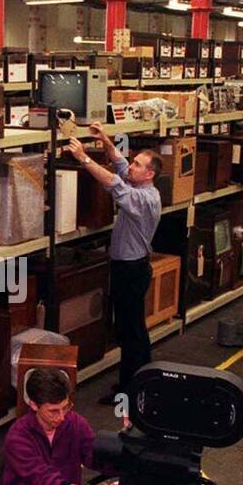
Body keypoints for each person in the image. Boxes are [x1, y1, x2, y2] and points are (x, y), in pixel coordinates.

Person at [65, 123, 162, 405]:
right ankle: (143, 380)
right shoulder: (138, 183)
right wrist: (106, 140)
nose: (131, 166)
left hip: (131, 271)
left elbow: (113, 182)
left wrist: (83, 158)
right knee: (134, 329)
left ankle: (130, 391)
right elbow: (119, 166)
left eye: (138, 164)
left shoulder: (144, 198)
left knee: (129, 332)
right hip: (129, 267)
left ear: (150, 174)